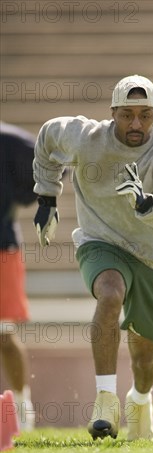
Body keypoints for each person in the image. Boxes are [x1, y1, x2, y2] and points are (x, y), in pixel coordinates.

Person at [32, 75, 153, 440]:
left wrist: (148, 203)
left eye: (145, 115)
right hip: (100, 241)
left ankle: (139, 400)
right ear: (113, 113)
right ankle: (105, 398)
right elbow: (46, 137)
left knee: (144, 358)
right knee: (110, 292)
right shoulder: (85, 136)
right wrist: (47, 197)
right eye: (127, 115)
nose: (136, 124)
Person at [0, 121, 37, 431]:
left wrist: (24, 195)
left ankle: (23, 409)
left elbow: (49, 167)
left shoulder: (9, 139)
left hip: (2, 246)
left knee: (3, 331)